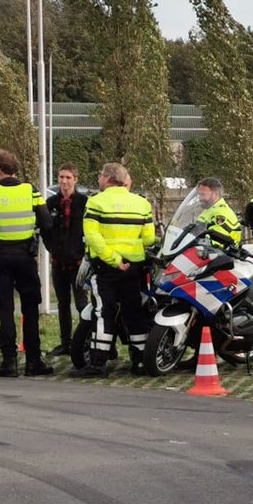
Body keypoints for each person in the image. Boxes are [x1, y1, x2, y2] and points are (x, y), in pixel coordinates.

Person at [0, 149, 52, 377]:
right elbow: (46, 223)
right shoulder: (32, 192)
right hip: (26, 258)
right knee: (30, 309)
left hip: (1, 258)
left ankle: (9, 362)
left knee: (5, 309)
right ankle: (33, 361)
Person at [75, 162, 155, 378]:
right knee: (134, 313)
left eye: (100, 175)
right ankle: (139, 362)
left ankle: (98, 363)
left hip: (107, 268)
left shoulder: (96, 202)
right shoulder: (142, 203)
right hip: (135, 266)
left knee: (104, 312)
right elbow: (148, 238)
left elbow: (92, 236)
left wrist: (113, 259)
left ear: (108, 178)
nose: (99, 178)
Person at [44, 163, 88, 357]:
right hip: (58, 262)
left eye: (68, 177)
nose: (64, 181)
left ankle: (85, 340)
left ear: (75, 179)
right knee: (62, 304)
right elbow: (45, 229)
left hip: (78, 263)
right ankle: (65, 342)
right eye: (61, 177)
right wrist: (51, 248)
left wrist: (82, 253)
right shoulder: (51, 203)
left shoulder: (84, 202)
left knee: (82, 304)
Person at [195, 177, 242, 247]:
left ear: (216, 194)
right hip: (202, 255)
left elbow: (214, 243)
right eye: (199, 195)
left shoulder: (222, 213)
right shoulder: (209, 210)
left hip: (221, 256)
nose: (200, 198)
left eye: (203, 195)